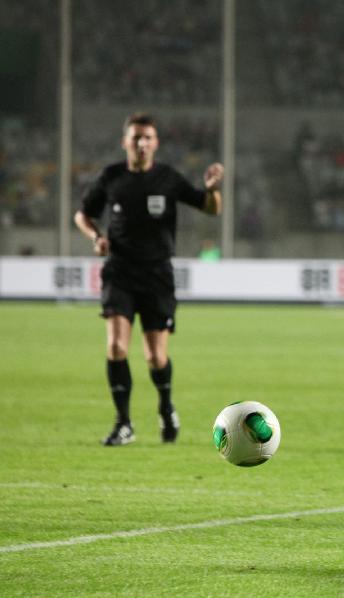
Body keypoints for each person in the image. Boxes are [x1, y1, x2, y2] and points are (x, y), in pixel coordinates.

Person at [74, 112, 224, 446]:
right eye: (135, 137)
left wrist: (213, 190)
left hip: (157, 275)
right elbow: (82, 214)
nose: (141, 143)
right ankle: (123, 423)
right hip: (119, 272)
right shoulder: (111, 177)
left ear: (155, 143)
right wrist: (96, 237)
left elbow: (210, 208)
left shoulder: (168, 178)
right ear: (125, 141)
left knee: (155, 357)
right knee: (115, 346)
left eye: (147, 138)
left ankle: (166, 407)